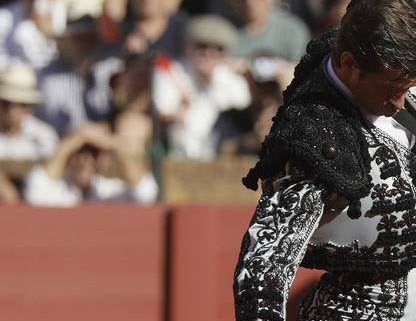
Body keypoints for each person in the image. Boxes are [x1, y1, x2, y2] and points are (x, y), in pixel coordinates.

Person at [233, 0, 416, 321]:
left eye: (407, 90)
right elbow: (270, 242)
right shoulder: (317, 134)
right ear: (350, 65)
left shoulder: (367, 79)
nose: (400, 103)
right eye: (391, 89)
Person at [152, 15, 252, 159]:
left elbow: (242, 104)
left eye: (218, 49)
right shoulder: (172, 72)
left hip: (219, 157)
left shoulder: (230, 79)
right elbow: (164, 108)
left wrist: (212, 82)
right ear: (188, 47)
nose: (208, 54)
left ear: (227, 53)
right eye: (202, 46)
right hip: (176, 154)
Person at [22, 121, 158, 205]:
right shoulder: (57, 191)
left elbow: (146, 192)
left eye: (93, 152)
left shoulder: (110, 191)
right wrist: (75, 140)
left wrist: (113, 144)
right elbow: (34, 191)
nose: (84, 159)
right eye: (78, 151)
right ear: (68, 156)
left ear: (101, 159)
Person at [0, 62, 57, 160]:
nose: (12, 110)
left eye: (21, 104)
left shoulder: (45, 137)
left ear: (30, 107)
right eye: (6, 103)